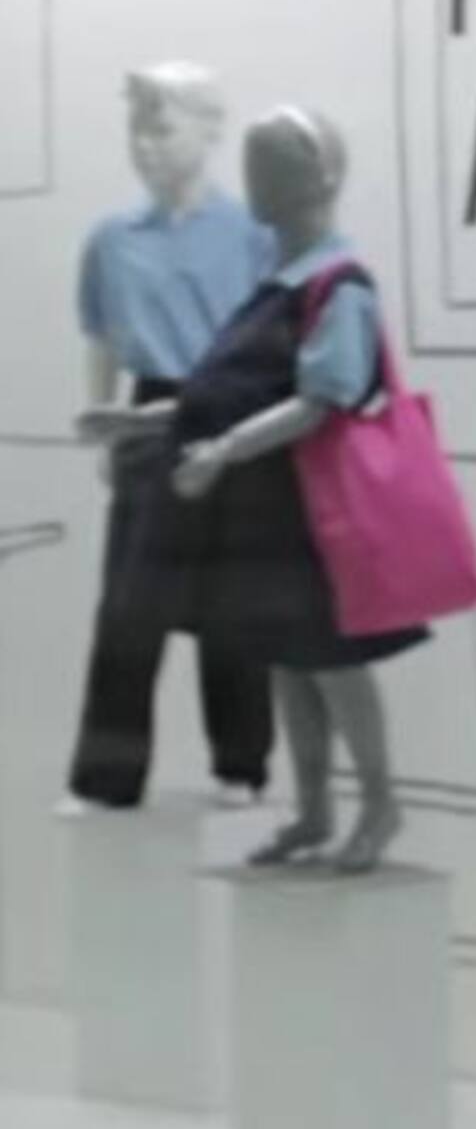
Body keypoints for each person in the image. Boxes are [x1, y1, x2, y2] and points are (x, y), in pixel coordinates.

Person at [82, 106, 428, 872]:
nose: (257, 182)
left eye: (274, 167)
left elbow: (319, 401)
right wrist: (141, 420)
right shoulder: (277, 282)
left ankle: (379, 804)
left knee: (335, 661)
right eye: (255, 165)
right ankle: (313, 811)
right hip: (273, 512)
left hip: (318, 513)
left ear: (319, 180)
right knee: (292, 662)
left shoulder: (338, 283)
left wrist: (222, 452)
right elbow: (229, 393)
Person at [63, 62, 275, 814]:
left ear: (209, 131)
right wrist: (103, 424)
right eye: (136, 130)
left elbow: (270, 338)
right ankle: (106, 778)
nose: (145, 145)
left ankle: (241, 767)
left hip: (229, 409)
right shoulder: (112, 240)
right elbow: (100, 337)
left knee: (235, 600)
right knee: (129, 606)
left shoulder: (253, 234)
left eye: (161, 128)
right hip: (147, 409)